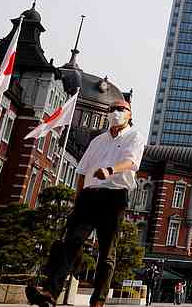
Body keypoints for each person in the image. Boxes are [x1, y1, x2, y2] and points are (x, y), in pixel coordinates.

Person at [26, 98, 146, 307]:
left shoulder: (135, 136)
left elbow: (132, 162)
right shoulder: (98, 140)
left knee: (107, 251)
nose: (115, 112)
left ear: (129, 114)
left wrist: (110, 170)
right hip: (88, 197)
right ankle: (50, 293)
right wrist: (78, 198)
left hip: (114, 196)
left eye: (120, 109)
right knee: (70, 242)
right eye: (112, 109)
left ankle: (98, 300)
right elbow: (81, 171)